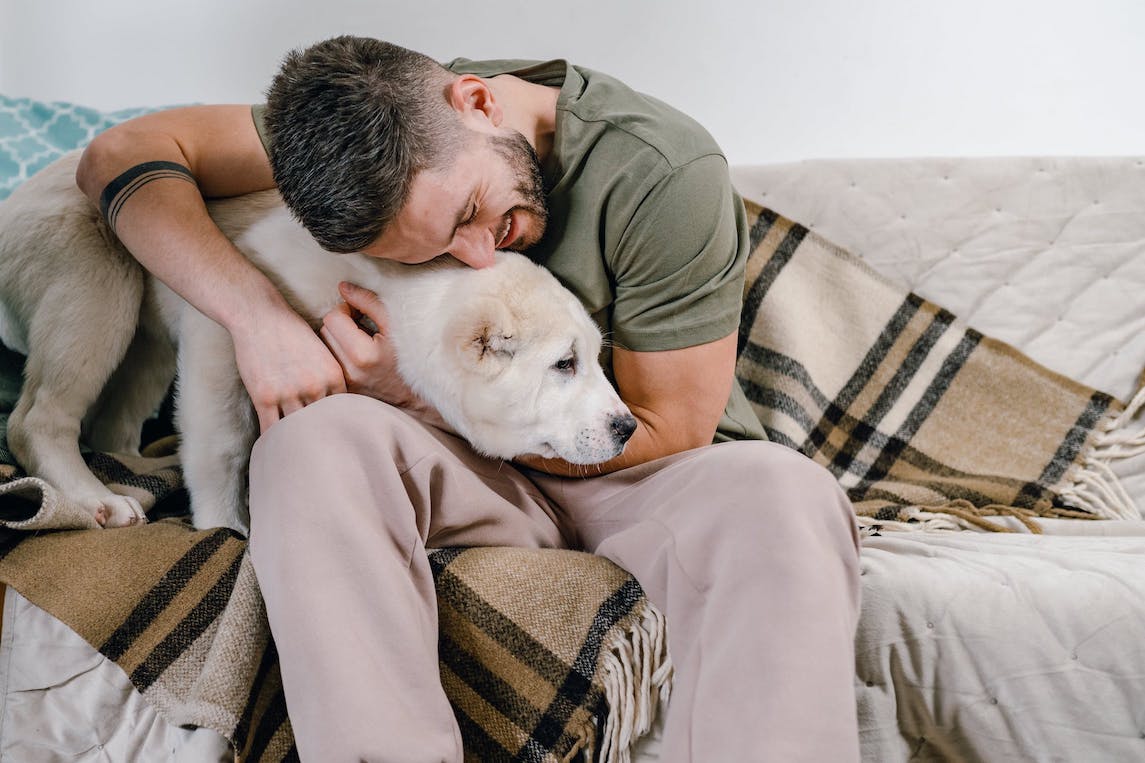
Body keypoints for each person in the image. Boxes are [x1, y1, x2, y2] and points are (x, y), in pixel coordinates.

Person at [76, 36, 861, 762]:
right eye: (442, 249)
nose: (483, 251)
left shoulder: (656, 166)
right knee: (309, 444)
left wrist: (412, 396)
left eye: (469, 213)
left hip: (634, 470)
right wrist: (256, 318)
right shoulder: (355, 137)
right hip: (460, 471)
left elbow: (671, 427)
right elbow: (122, 154)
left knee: (783, 488)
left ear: (478, 103)